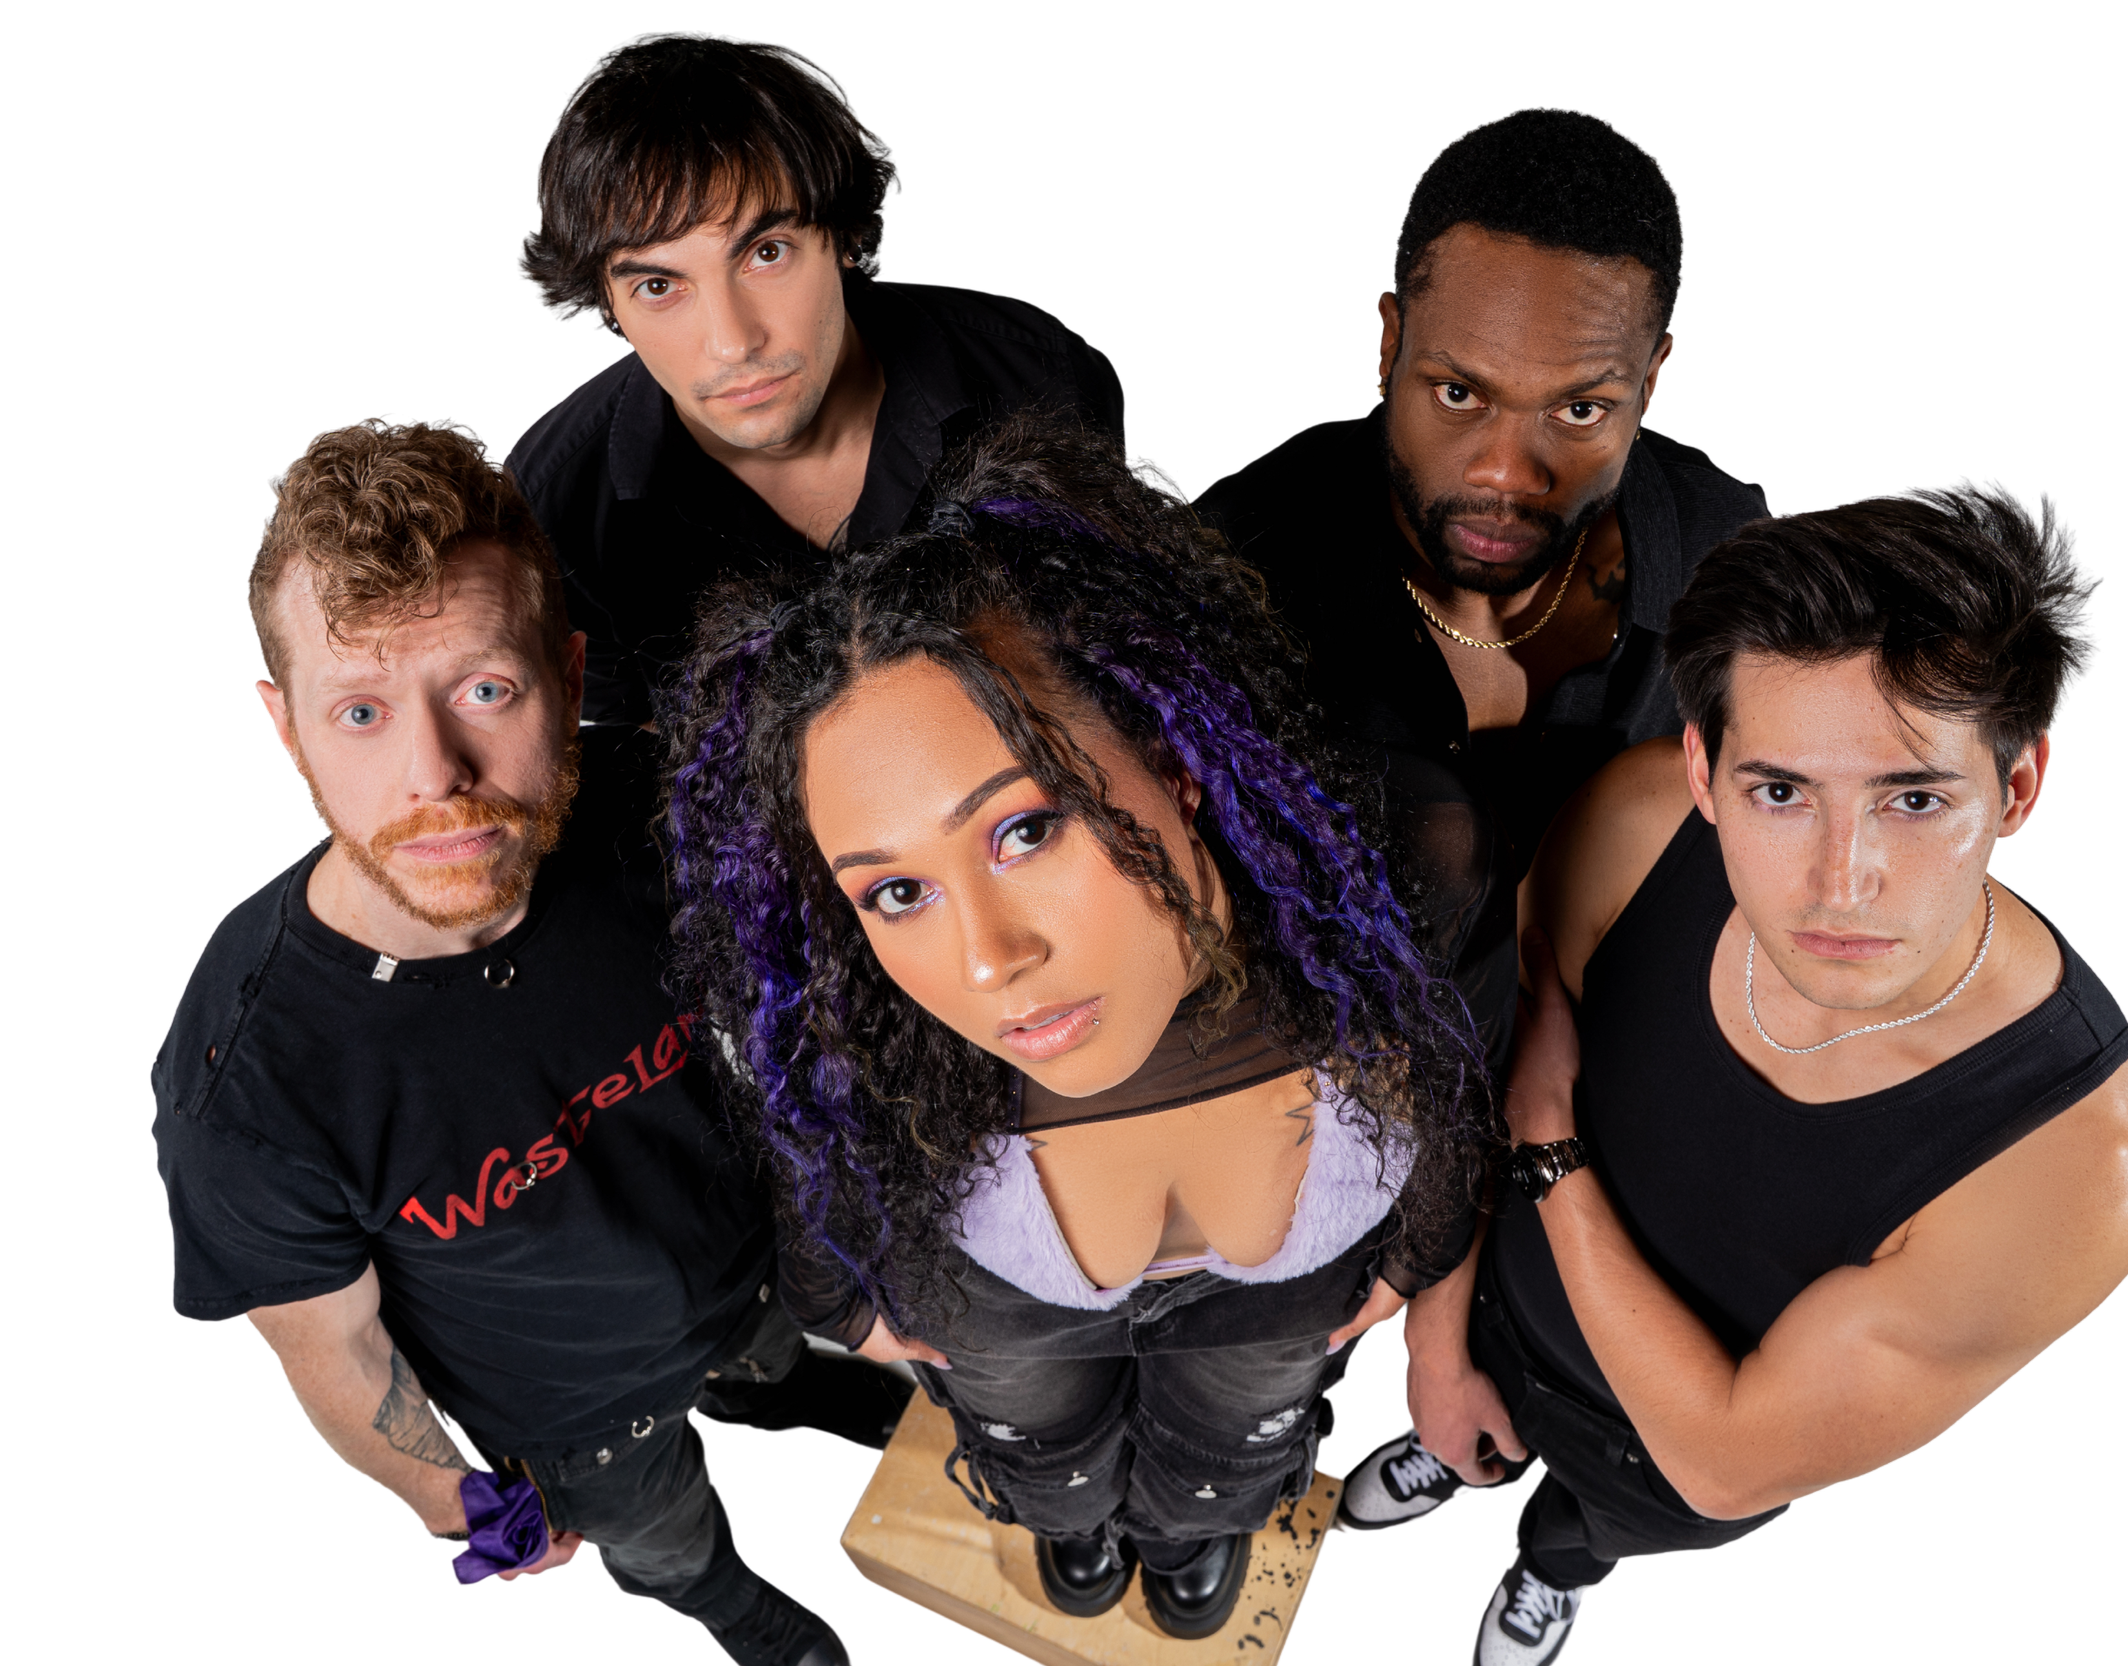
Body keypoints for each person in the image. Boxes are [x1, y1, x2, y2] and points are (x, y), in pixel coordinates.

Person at [659, 417, 1496, 1640]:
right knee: (1038, 1448)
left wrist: (1417, 1255)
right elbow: (809, 1130)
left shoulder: (1406, 860)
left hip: (1278, 1308)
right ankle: (1069, 1521)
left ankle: (1191, 1526)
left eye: (1026, 827)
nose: (991, 960)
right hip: (1001, 1306)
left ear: (1172, 756)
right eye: (896, 891)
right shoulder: (851, 999)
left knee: (1231, 1443)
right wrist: (838, 1301)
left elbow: (1459, 1068)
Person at [1343, 485, 2128, 1665]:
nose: (1841, 882)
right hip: (1493, 1306)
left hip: (1657, 1457)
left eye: (1915, 798)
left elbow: (1724, 1458)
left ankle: (1545, 1571)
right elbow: (1473, 1085)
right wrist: (1435, 1347)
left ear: (2017, 789)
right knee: (1468, 1409)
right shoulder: (1633, 829)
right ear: (1701, 769)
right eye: (1780, 792)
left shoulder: (2080, 1168)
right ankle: (1449, 1439)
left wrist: (1549, 1145)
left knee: (1589, 1535)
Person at [152, 419, 900, 1665]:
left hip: (758, 1291)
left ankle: (853, 1420)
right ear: (281, 726)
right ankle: (768, 1634)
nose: (435, 773)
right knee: (675, 1556)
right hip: (581, 1427)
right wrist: (467, 1507)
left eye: (484, 689)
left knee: (825, 1389)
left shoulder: (662, 816)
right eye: (360, 709)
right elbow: (337, 1359)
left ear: (569, 671)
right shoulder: (246, 1078)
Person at [1196, 108, 1766, 1075]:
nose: (1508, 472)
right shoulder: (1226, 572)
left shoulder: (1738, 564)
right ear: (1388, 346)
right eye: (1459, 393)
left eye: (1579, 408)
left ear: (1653, 384)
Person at [510, 32, 1126, 728]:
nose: (733, 342)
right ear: (608, 304)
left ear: (842, 237)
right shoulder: (559, 500)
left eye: (766, 253)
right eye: (659, 284)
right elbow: (630, 749)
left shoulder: (1034, 375)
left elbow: (1103, 655)